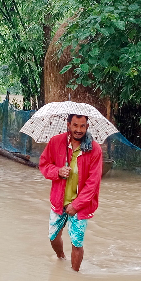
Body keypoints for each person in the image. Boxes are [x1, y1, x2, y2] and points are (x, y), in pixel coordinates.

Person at [38, 113, 103, 272]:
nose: (78, 130)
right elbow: (44, 164)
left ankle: (74, 275)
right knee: (53, 237)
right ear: (68, 125)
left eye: (82, 126)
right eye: (75, 125)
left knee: (77, 242)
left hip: (80, 205)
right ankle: (61, 257)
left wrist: (76, 205)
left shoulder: (94, 149)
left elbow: (93, 183)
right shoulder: (56, 142)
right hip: (58, 200)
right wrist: (57, 171)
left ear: (87, 127)